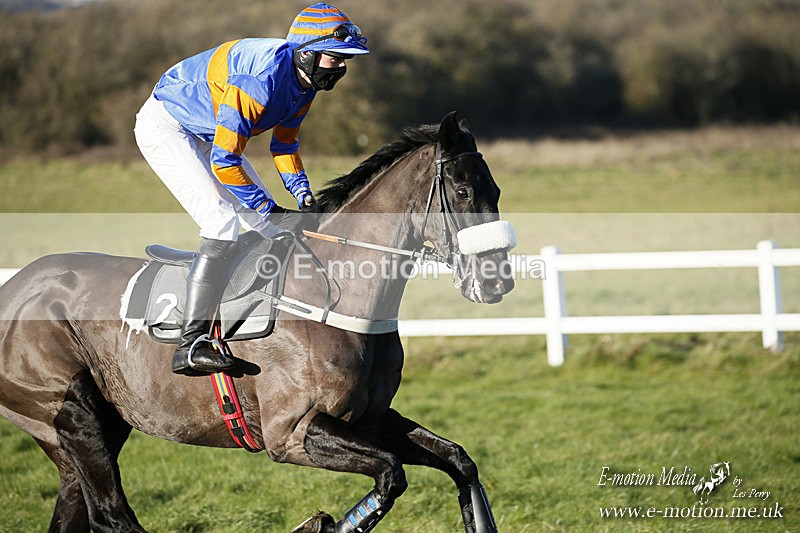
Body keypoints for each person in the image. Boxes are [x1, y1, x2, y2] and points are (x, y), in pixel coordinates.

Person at [134, 3, 368, 375]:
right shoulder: (261, 81)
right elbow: (225, 162)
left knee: (272, 229)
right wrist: (269, 207)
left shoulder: (304, 85)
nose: (341, 67)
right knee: (221, 222)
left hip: (209, 134)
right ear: (306, 53)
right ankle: (191, 343)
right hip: (168, 127)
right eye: (336, 58)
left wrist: (302, 194)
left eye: (345, 60)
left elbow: (284, 145)